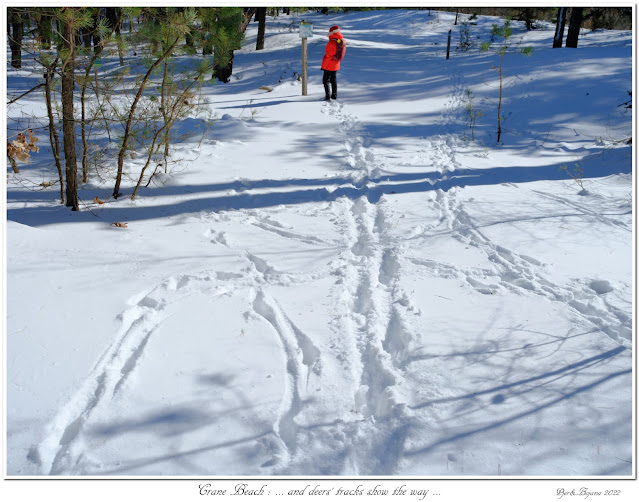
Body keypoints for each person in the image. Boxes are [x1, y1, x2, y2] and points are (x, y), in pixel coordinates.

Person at [321, 25, 346, 101]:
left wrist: (324, 63)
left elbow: (328, 54)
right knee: (333, 79)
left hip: (329, 64)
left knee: (325, 80)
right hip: (336, 63)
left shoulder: (331, 42)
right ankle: (334, 95)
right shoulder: (340, 41)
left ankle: (327, 95)